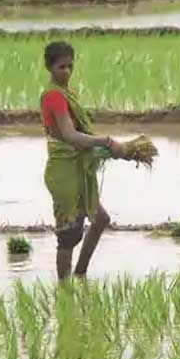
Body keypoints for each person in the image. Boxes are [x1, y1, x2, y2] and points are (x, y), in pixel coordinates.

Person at [40, 41, 127, 280]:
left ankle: (80, 273)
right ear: (49, 67)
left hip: (76, 165)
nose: (66, 72)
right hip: (64, 171)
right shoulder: (54, 97)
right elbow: (69, 136)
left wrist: (111, 149)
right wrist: (108, 142)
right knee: (68, 235)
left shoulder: (69, 94)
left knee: (100, 219)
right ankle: (64, 290)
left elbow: (79, 135)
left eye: (70, 66)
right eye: (60, 67)